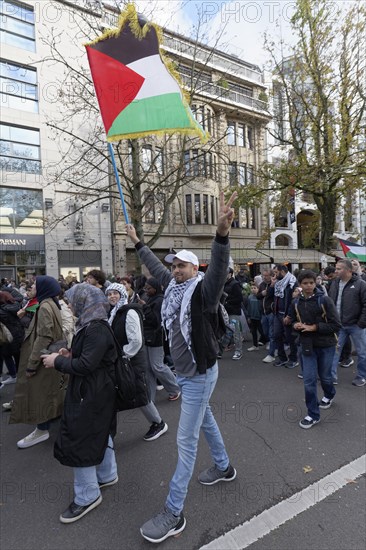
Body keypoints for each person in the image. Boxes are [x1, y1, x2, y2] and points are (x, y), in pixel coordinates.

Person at [127, 191, 237, 543]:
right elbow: (156, 268)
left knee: (185, 441)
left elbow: (218, 270)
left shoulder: (203, 291)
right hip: (189, 376)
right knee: (205, 420)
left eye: (182, 265)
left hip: (199, 375)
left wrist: (221, 235)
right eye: (173, 265)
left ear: (195, 269)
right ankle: (224, 467)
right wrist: (139, 243)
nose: (175, 269)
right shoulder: (173, 289)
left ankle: (174, 513)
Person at [42, 284, 118, 523]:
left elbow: (87, 366)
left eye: (73, 301)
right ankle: (107, 474)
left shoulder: (95, 328)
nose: (70, 305)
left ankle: (87, 496)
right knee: (99, 431)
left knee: (80, 438)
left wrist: (58, 362)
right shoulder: (92, 324)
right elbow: (88, 359)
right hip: (96, 390)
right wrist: (70, 355)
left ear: (85, 301)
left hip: (91, 392)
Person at [105, 282, 168, 441]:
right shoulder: (115, 312)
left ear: (122, 295)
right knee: (133, 392)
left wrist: (123, 355)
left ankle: (158, 423)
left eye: (115, 293)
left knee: (139, 393)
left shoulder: (129, 312)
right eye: (109, 293)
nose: (112, 296)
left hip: (131, 360)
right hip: (125, 360)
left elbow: (136, 340)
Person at [9, 276, 64, 448]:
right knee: (50, 392)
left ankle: (41, 430)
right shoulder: (50, 303)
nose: (31, 287)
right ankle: (49, 423)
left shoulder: (45, 307)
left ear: (43, 288)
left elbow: (43, 338)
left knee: (39, 394)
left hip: (42, 358)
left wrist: (32, 365)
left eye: (34, 285)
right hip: (50, 356)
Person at [289, 270, 341, 429]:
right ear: (300, 285)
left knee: (325, 377)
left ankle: (329, 394)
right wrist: (295, 325)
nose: (309, 286)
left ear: (315, 282)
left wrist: (314, 327)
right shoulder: (295, 302)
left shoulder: (324, 300)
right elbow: (292, 321)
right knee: (309, 381)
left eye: (311, 282)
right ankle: (313, 414)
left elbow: (336, 325)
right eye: (305, 283)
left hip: (326, 345)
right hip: (306, 346)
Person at [138, 277, 180, 401]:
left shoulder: (159, 300)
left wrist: (145, 307)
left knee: (157, 366)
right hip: (147, 337)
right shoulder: (151, 298)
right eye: (145, 287)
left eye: (149, 288)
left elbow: (156, 321)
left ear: (155, 288)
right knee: (148, 368)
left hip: (156, 338)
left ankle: (175, 388)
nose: (146, 290)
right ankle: (150, 397)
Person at [328, 259, 366, 386]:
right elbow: (330, 301)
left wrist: (361, 323)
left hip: (356, 326)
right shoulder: (334, 283)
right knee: (334, 351)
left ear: (349, 270)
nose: (336, 271)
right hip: (338, 325)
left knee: (362, 353)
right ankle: (331, 376)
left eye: (339, 269)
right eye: (336, 268)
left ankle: (361, 376)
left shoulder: (361, 284)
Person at [271, 264, 299, 368]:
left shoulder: (292, 282)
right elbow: (272, 296)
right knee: (277, 336)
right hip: (277, 313)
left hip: (287, 315)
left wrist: (290, 315)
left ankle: (293, 359)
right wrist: (272, 285)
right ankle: (282, 358)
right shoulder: (278, 282)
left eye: (276, 272)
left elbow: (295, 300)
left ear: (282, 271)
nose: (275, 275)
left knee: (290, 338)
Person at [0, 291, 24, 386]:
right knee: (18, 355)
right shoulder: (16, 306)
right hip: (18, 334)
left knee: (7, 355)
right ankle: (19, 375)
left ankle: (14, 376)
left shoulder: (2, 311)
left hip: (8, 336)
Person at [224, 268, 244, 360]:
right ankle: (220, 351)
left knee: (236, 332)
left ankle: (238, 351)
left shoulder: (235, 284)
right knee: (224, 332)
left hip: (233, 311)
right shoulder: (223, 283)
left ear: (230, 274)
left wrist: (227, 302)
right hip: (224, 311)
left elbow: (239, 298)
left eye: (226, 273)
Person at [257, 269, 276, 363]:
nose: (264, 277)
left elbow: (273, 295)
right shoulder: (262, 285)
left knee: (272, 333)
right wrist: (261, 293)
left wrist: (269, 289)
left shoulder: (275, 284)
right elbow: (258, 296)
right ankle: (270, 344)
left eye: (267, 275)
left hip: (271, 311)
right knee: (265, 331)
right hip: (263, 312)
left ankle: (271, 353)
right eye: (263, 275)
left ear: (271, 276)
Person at [245, 284, 266, 351]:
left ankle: (267, 342)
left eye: (255, 288)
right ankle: (255, 345)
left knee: (262, 332)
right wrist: (248, 316)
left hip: (260, 317)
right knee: (253, 332)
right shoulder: (249, 297)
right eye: (252, 288)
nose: (253, 289)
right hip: (252, 317)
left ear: (258, 289)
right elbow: (248, 307)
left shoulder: (260, 297)